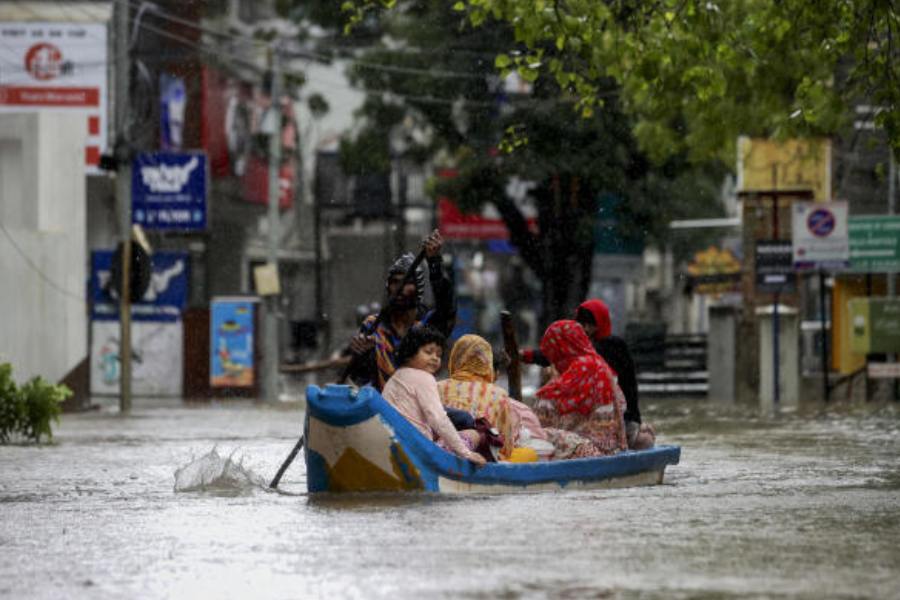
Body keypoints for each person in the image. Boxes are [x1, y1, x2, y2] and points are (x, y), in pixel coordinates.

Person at [520, 299, 655, 450]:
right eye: (581, 324)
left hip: (614, 422)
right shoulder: (585, 355)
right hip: (602, 423)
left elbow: (629, 384)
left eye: (588, 324)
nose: (584, 329)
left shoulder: (596, 356)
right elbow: (553, 354)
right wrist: (525, 355)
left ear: (598, 324)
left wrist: (633, 417)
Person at [346, 229, 456, 390]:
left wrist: (434, 262)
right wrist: (363, 356)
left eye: (407, 283)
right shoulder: (373, 326)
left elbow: (447, 307)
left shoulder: (426, 327)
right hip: (382, 405)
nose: (400, 288)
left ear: (418, 289)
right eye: (395, 282)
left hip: (418, 405)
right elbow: (359, 378)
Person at [381, 325, 486, 465]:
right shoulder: (424, 377)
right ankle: (452, 462)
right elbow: (438, 418)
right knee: (474, 435)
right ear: (410, 352)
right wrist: (465, 453)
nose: (435, 358)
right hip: (418, 451)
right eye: (428, 352)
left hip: (392, 446)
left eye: (438, 354)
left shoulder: (395, 377)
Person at [438, 334, 552, 459]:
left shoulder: (438, 387)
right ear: (487, 361)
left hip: (440, 451)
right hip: (484, 457)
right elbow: (506, 445)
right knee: (528, 454)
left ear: (455, 358)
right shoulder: (498, 393)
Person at [533, 320, 628, 456]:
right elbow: (622, 403)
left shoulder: (585, 365)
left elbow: (549, 403)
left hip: (593, 449)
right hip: (612, 447)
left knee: (537, 428)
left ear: (562, 346)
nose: (552, 357)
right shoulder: (598, 362)